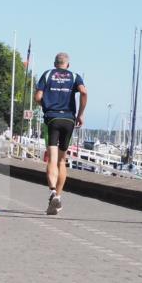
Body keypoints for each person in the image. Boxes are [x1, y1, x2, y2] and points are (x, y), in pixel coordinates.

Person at [34, 52, 87, 215]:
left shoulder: (47, 74)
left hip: (52, 119)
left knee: (52, 158)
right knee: (62, 161)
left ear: (54, 63)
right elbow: (84, 92)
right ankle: (58, 195)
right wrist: (80, 114)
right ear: (67, 65)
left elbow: (38, 97)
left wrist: (46, 104)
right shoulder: (75, 76)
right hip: (69, 120)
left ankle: (52, 192)